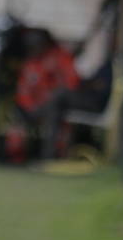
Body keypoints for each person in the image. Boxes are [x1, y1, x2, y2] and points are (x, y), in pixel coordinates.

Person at [7, 27, 80, 161]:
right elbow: (23, 92)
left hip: (55, 107)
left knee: (56, 115)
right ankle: (16, 158)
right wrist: (31, 108)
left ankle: (50, 157)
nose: (34, 48)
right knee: (16, 121)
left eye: (37, 44)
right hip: (32, 109)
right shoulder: (30, 63)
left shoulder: (60, 57)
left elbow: (72, 83)